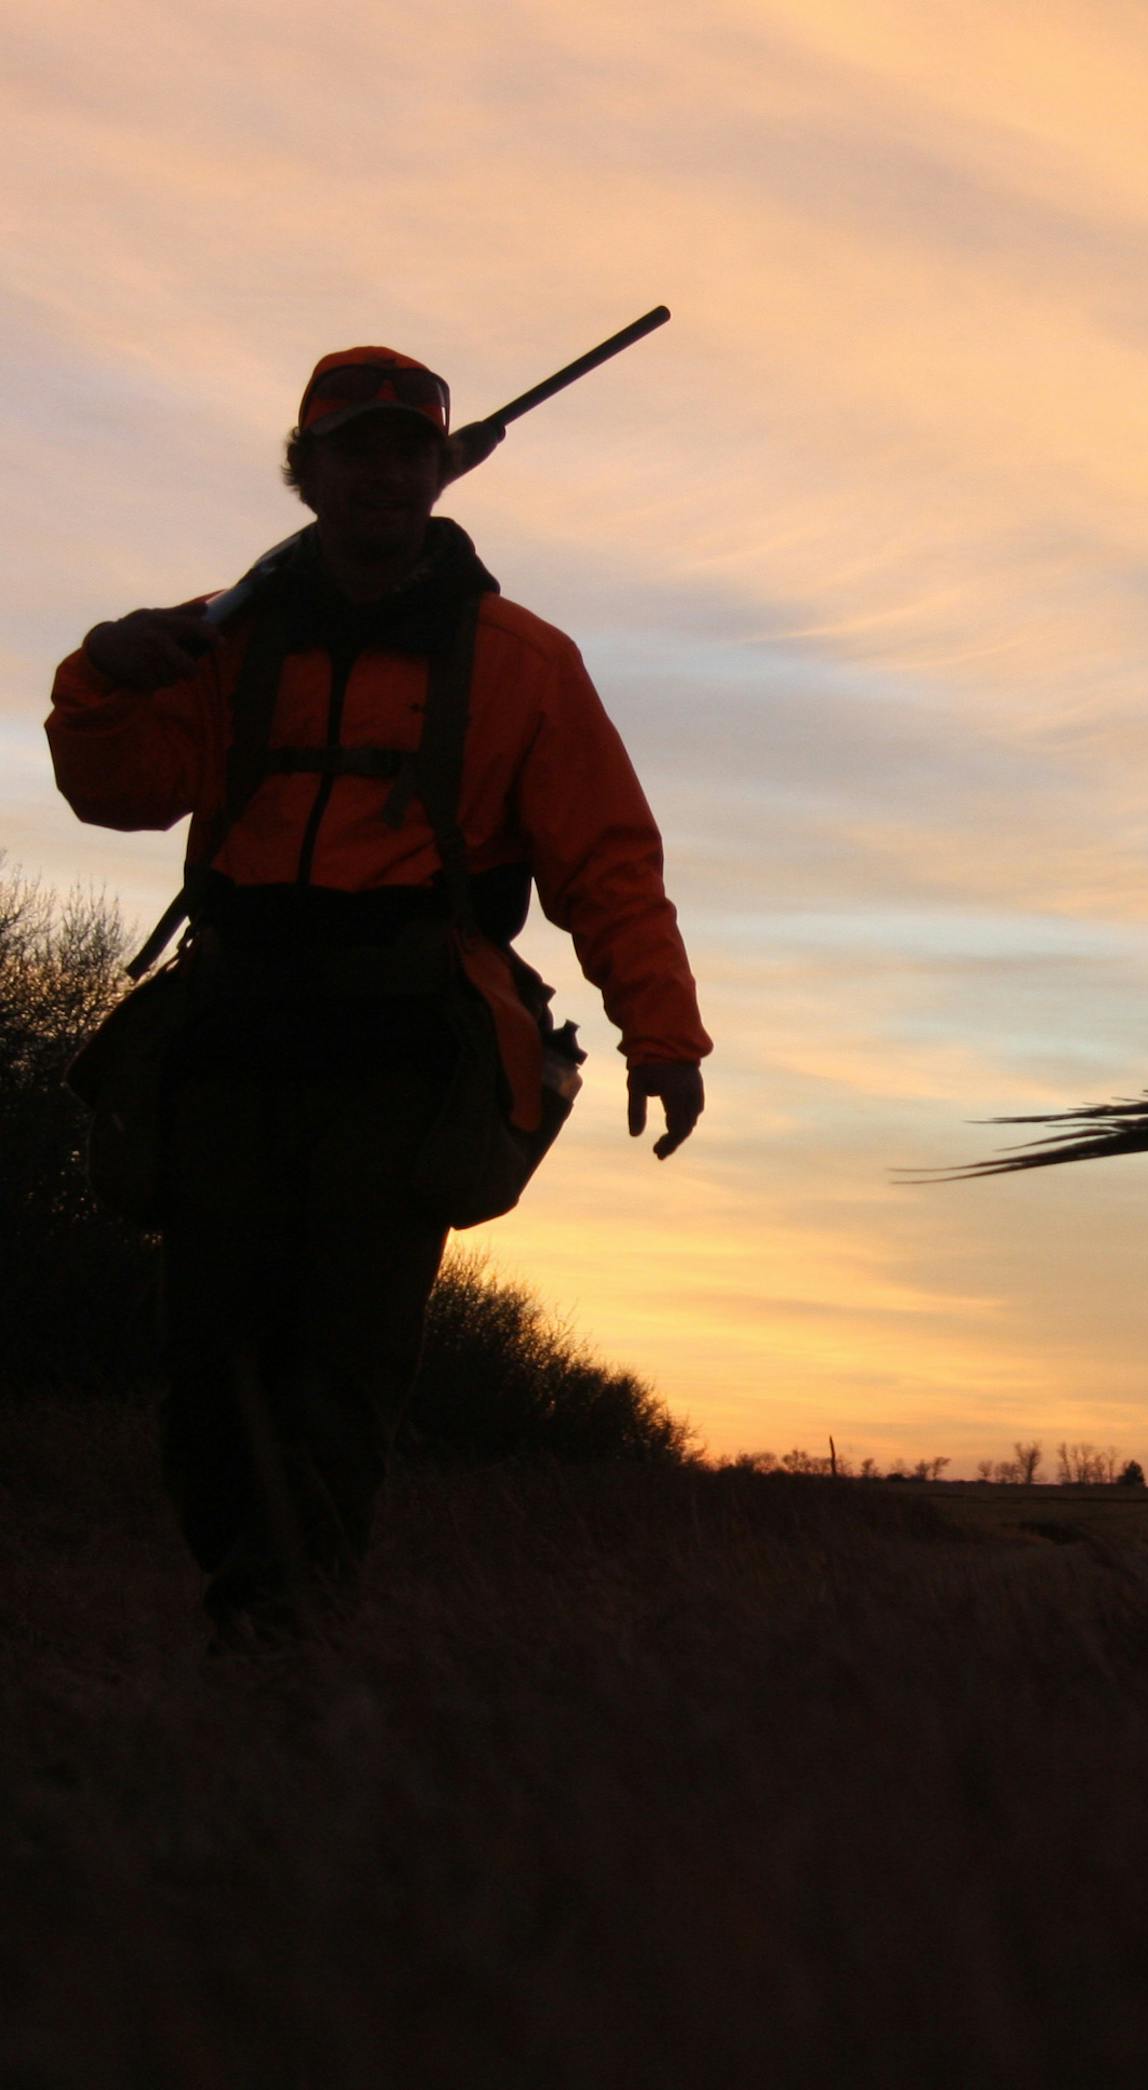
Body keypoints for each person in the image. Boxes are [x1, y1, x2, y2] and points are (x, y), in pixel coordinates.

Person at [48, 346, 711, 1642]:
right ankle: (261, 1616)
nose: (384, 473)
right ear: (307, 473)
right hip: (232, 1036)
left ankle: (279, 1641)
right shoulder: (214, 637)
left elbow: (608, 866)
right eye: (355, 449)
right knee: (208, 1376)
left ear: (442, 471)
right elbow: (114, 790)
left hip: (407, 1057)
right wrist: (102, 675)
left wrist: (664, 1034)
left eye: (409, 450)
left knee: (342, 1374)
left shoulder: (525, 661)